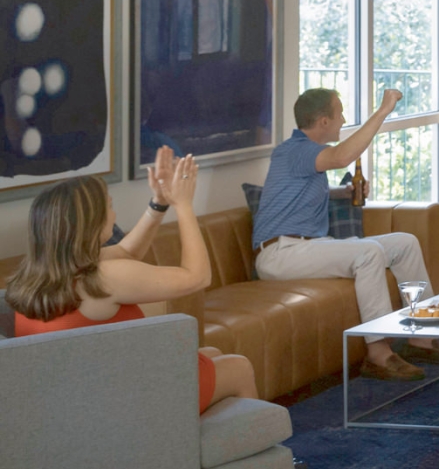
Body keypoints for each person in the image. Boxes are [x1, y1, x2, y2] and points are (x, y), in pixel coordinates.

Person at [8, 151, 258, 414]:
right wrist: (183, 205)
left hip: (82, 397)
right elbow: (198, 278)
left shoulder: (41, 272)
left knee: (212, 352)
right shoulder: (104, 277)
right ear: (92, 222)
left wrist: (159, 203)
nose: (114, 215)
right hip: (125, 400)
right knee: (239, 367)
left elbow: (127, 252)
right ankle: (254, 443)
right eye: (110, 206)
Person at [251, 87, 439, 381]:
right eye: (340, 113)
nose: (343, 119)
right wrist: (383, 110)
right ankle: (379, 353)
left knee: (405, 243)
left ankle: (422, 337)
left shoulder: (305, 156)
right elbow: (343, 156)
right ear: (323, 122)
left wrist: (342, 194)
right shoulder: (295, 150)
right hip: (280, 254)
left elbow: (298, 193)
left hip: (306, 247)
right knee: (368, 253)